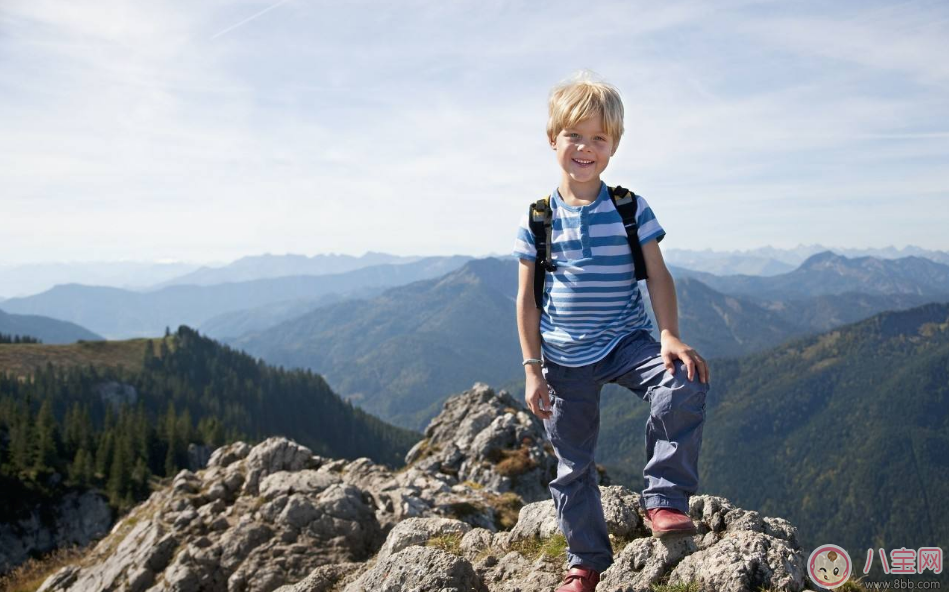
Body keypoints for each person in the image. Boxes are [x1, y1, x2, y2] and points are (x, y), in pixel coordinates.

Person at [512, 71, 711, 592]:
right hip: (562, 357)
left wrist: (669, 335)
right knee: (573, 466)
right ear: (552, 139)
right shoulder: (538, 220)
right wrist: (532, 369)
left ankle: (665, 498)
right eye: (574, 135)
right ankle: (587, 562)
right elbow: (527, 302)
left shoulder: (629, 208)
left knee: (684, 380)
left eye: (599, 138)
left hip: (627, 342)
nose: (585, 147)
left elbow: (659, 274)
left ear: (614, 146)